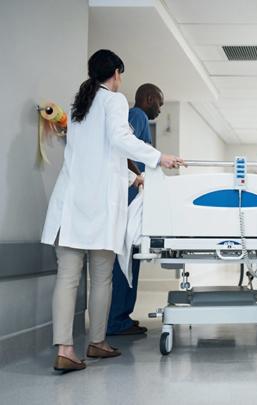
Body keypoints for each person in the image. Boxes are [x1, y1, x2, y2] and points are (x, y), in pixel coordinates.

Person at [41, 49, 184, 373]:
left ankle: (65, 348)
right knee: (102, 278)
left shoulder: (80, 104)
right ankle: (97, 341)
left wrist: (135, 176)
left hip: (71, 202)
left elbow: (99, 155)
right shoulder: (114, 100)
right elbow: (120, 141)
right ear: (116, 73)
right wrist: (159, 157)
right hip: (99, 208)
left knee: (67, 278)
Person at [107, 83, 163, 336]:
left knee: (131, 256)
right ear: (149, 98)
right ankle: (117, 320)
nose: (160, 110)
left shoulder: (140, 119)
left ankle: (122, 317)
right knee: (126, 257)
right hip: (129, 194)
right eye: (159, 103)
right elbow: (123, 147)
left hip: (134, 193)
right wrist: (138, 174)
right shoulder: (137, 116)